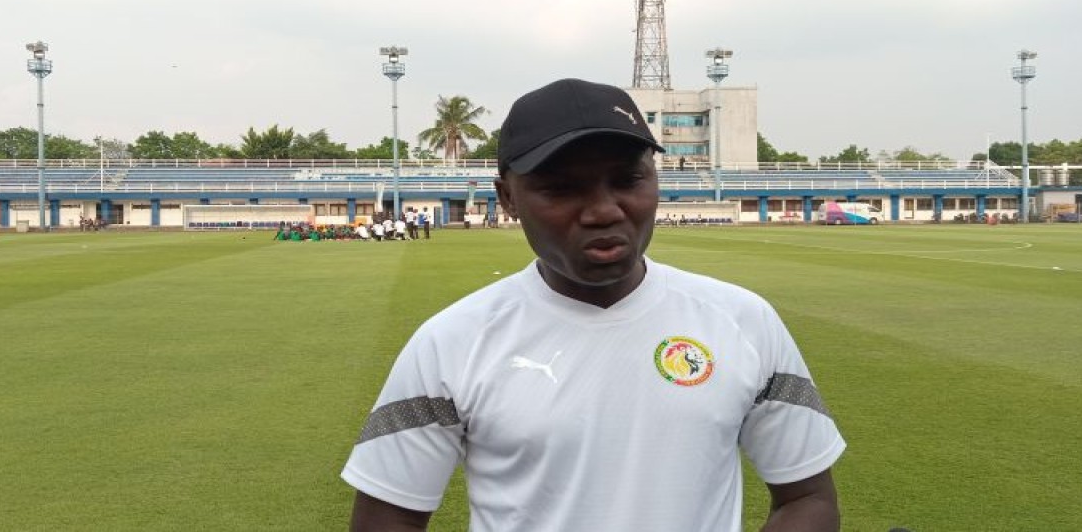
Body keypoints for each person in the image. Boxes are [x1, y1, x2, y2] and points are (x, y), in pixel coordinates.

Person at [342, 78, 844, 531]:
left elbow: (807, 499)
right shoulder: (450, 342)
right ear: (507, 198)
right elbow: (388, 519)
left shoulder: (742, 321)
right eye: (561, 189)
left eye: (627, 181)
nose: (604, 210)